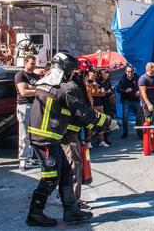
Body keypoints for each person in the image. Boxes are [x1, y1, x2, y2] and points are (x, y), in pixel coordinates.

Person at [26, 52, 118, 227]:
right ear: (66, 70)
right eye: (72, 70)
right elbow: (83, 113)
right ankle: (35, 213)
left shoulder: (45, 84)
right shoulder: (64, 88)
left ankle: (71, 210)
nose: (73, 74)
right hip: (46, 138)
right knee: (50, 177)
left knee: (67, 173)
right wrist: (108, 122)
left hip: (47, 137)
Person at [61, 61, 93, 209]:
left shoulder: (76, 83)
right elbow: (80, 109)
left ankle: (69, 197)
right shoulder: (73, 86)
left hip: (70, 129)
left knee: (73, 163)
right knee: (74, 163)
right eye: (87, 74)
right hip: (68, 131)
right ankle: (72, 200)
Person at [14, 55, 40, 171]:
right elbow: (24, 92)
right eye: (31, 63)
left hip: (35, 106)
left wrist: (33, 88)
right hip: (24, 106)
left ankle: (30, 158)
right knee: (24, 134)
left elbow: (40, 88)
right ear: (25, 63)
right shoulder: (21, 75)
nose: (34, 66)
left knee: (32, 134)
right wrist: (37, 90)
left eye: (35, 64)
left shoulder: (35, 76)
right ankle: (22, 160)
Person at [85, 69, 109, 148]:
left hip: (100, 105)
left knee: (101, 123)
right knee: (91, 124)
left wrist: (96, 91)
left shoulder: (98, 80)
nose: (95, 74)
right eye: (93, 72)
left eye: (96, 72)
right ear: (89, 72)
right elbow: (90, 93)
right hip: (91, 106)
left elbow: (103, 93)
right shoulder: (86, 81)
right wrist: (96, 90)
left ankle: (101, 141)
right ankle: (88, 142)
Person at [117, 65, 141, 138]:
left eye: (131, 71)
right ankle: (125, 133)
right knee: (125, 117)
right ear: (126, 72)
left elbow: (142, 86)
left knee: (140, 116)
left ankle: (140, 132)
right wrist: (125, 90)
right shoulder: (123, 78)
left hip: (135, 100)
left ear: (133, 71)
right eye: (128, 71)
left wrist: (139, 91)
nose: (130, 73)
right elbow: (118, 89)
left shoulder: (137, 77)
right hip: (126, 100)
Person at [99, 68, 116, 145]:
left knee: (109, 121)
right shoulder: (99, 83)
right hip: (102, 103)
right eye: (104, 73)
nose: (106, 74)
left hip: (109, 104)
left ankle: (106, 138)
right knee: (103, 121)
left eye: (107, 73)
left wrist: (111, 92)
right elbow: (99, 93)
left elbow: (111, 92)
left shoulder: (108, 82)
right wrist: (106, 92)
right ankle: (102, 139)